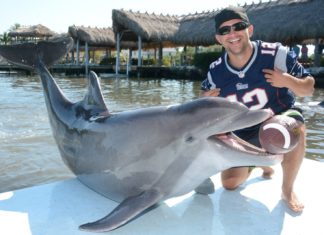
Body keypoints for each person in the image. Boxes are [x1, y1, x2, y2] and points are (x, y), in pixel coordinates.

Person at [199, 6, 315, 213]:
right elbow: (202, 98)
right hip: (243, 129)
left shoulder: (276, 55)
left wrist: (287, 81)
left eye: (238, 27)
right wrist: (206, 100)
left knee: (291, 129)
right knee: (230, 184)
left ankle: (287, 190)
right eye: (225, 30)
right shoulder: (216, 71)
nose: (232, 34)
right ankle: (260, 162)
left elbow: (309, 87)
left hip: (280, 118)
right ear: (219, 38)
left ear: (250, 30)